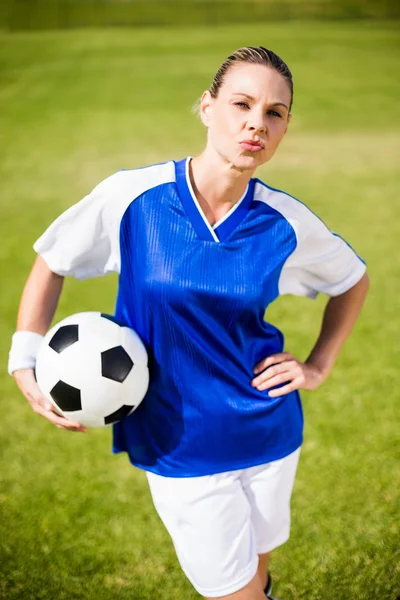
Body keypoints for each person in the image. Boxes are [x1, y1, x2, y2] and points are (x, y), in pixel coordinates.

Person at [8, 47, 369, 600]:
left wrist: (318, 366)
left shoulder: (286, 221)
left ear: (286, 126)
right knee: (233, 590)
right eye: (241, 104)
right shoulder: (133, 196)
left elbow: (352, 280)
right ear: (207, 107)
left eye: (275, 112)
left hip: (270, 429)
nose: (257, 123)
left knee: (258, 567)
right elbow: (53, 258)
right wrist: (24, 357)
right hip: (179, 442)